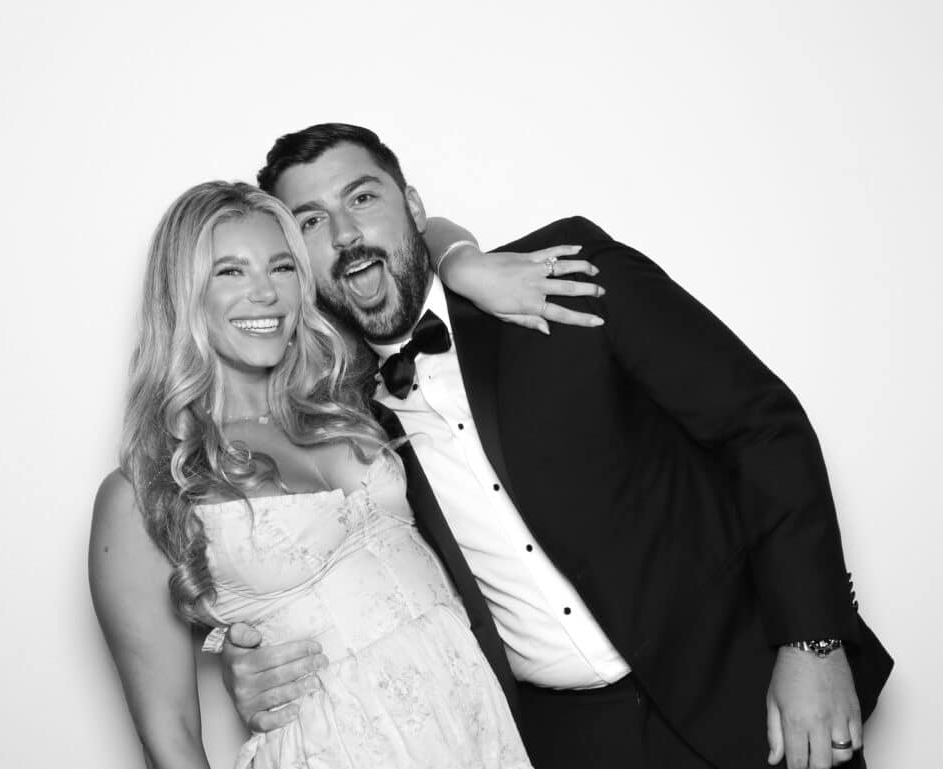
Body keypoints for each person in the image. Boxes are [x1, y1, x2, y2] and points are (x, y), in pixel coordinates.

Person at [221, 124, 894, 769]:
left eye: (362, 198)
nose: (344, 234)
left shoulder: (560, 274)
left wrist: (813, 639)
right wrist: (257, 663)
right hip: (562, 744)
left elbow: (761, 426)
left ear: (415, 206)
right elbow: (354, 583)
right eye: (309, 221)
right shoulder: (346, 431)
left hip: (752, 691)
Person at [88, 180, 604, 769]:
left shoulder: (350, 397)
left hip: (483, 730)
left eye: (282, 267)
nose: (265, 293)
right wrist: (241, 666)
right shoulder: (144, 491)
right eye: (230, 272)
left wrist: (464, 264)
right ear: (183, 295)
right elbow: (170, 737)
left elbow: (416, 237)